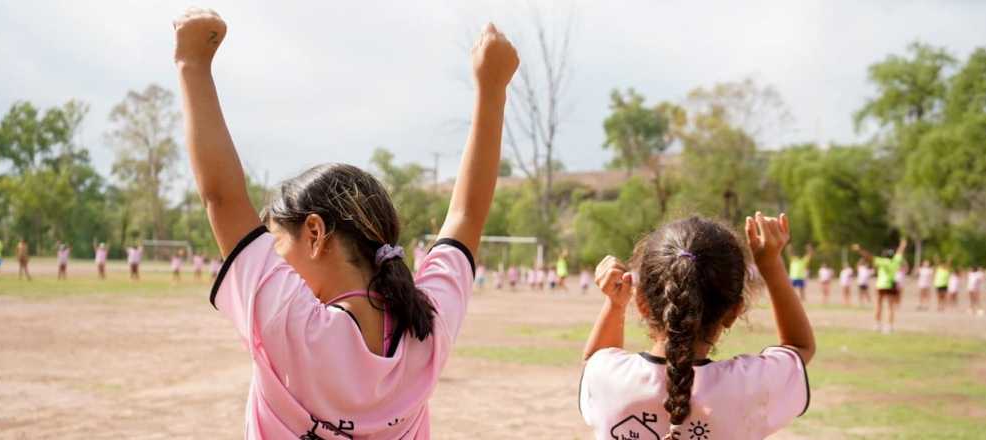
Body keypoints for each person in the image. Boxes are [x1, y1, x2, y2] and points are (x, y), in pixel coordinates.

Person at [174, 9, 517, 438]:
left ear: (314, 234)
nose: (273, 258)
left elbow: (222, 199)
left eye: (276, 241)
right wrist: (492, 90)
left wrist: (192, 63)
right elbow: (467, 215)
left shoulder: (291, 324)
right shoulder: (426, 331)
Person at [580, 213, 814, 440]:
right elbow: (799, 347)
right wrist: (771, 264)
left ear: (642, 304)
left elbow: (595, 360)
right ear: (734, 312)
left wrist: (614, 304)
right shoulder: (749, 385)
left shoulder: (608, 377)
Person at [852, 239, 907, 334]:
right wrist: (903, 245)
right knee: (890, 307)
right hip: (891, 285)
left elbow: (868, 256)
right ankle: (890, 326)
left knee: (878, 306)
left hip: (881, 285)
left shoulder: (882, 261)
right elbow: (900, 252)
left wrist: (859, 249)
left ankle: (877, 325)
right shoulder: (895, 261)